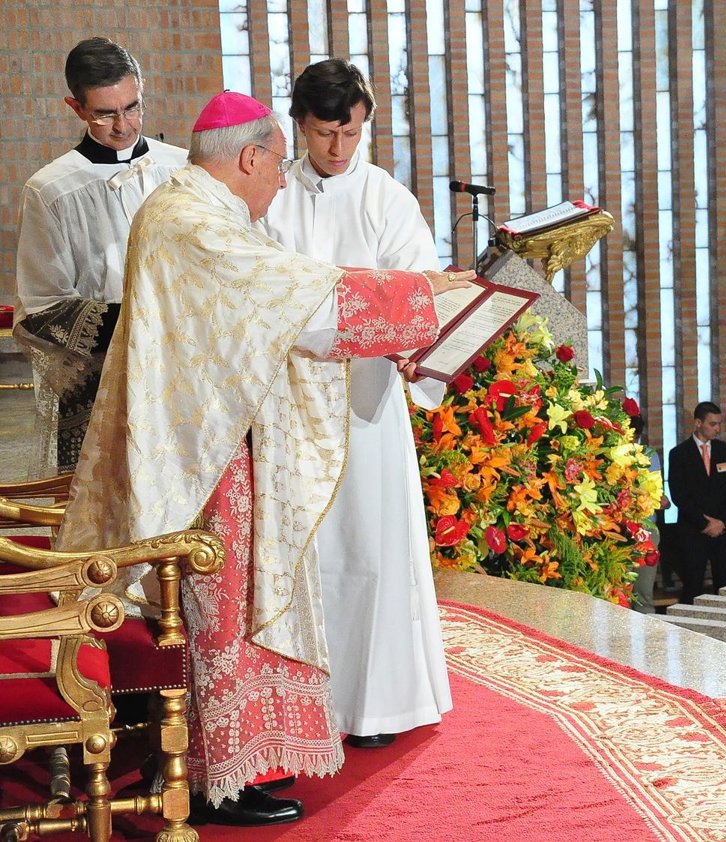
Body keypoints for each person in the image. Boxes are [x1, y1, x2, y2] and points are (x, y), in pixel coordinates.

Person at [58, 90, 471, 827]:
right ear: (249, 157)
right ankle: (209, 780)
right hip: (202, 460)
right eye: (279, 165)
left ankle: (207, 764)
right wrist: (420, 298)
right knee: (221, 615)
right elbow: (298, 300)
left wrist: (411, 296)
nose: (284, 181)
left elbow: (286, 298)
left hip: (214, 444)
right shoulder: (191, 221)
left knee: (230, 612)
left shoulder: (198, 209)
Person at [261, 58, 451, 750]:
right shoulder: (271, 196)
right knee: (305, 550)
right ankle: (303, 702)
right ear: (299, 125)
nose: (338, 148)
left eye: (350, 133)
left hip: (365, 402)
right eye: (323, 134)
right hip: (291, 401)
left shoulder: (386, 198)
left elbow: (423, 292)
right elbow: (260, 293)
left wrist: (410, 339)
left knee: (372, 546)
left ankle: (377, 706)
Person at [13, 37, 187, 473]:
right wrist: (137, 323)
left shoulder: (183, 170)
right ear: (76, 107)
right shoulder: (50, 189)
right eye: (105, 113)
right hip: (102, 377)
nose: (123, 125)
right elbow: (41, 305)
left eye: (132, 107)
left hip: (182, 368)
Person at [667, 402, 726, 604]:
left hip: (723, 532)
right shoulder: (679, 454)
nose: (718, 428)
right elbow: (679, 495)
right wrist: (705, 523)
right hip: (693, 531)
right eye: (712, 424)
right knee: (692, 587)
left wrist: (722, 522)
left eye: (719, 424)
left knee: (725, 587)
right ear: (698, 423)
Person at [629, 413, 669, 614]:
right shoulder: (609, 454)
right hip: (620, 528)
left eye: (635, 437)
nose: (632, 442)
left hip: (646, 527)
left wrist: (659, 500)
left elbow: (657, 493)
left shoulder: (649, 455)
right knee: (619, 592)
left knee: (644, 592)